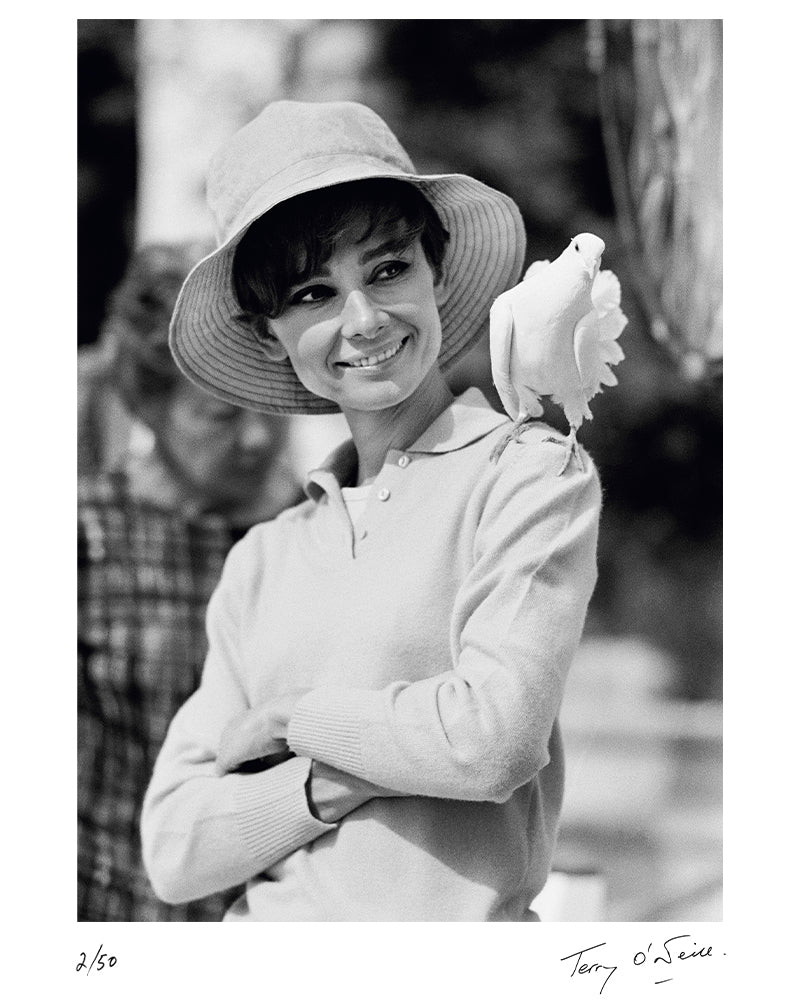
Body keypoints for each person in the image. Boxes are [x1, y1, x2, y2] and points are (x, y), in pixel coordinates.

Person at [141, 100, 602, 921]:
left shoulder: (529, 474)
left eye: (388, 270)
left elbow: (494, 741)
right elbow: (176, 849)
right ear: (269, 334)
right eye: (314, 293)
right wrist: (328, 781)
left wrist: (293, 720)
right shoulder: (265, 556)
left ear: (437, 269)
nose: (363, 321)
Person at [78, 242, 302, 921]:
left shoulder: (311, 534)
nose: (260, 439)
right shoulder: (85, 536)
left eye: (270, 404)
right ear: (147, 411)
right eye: (221, 416)